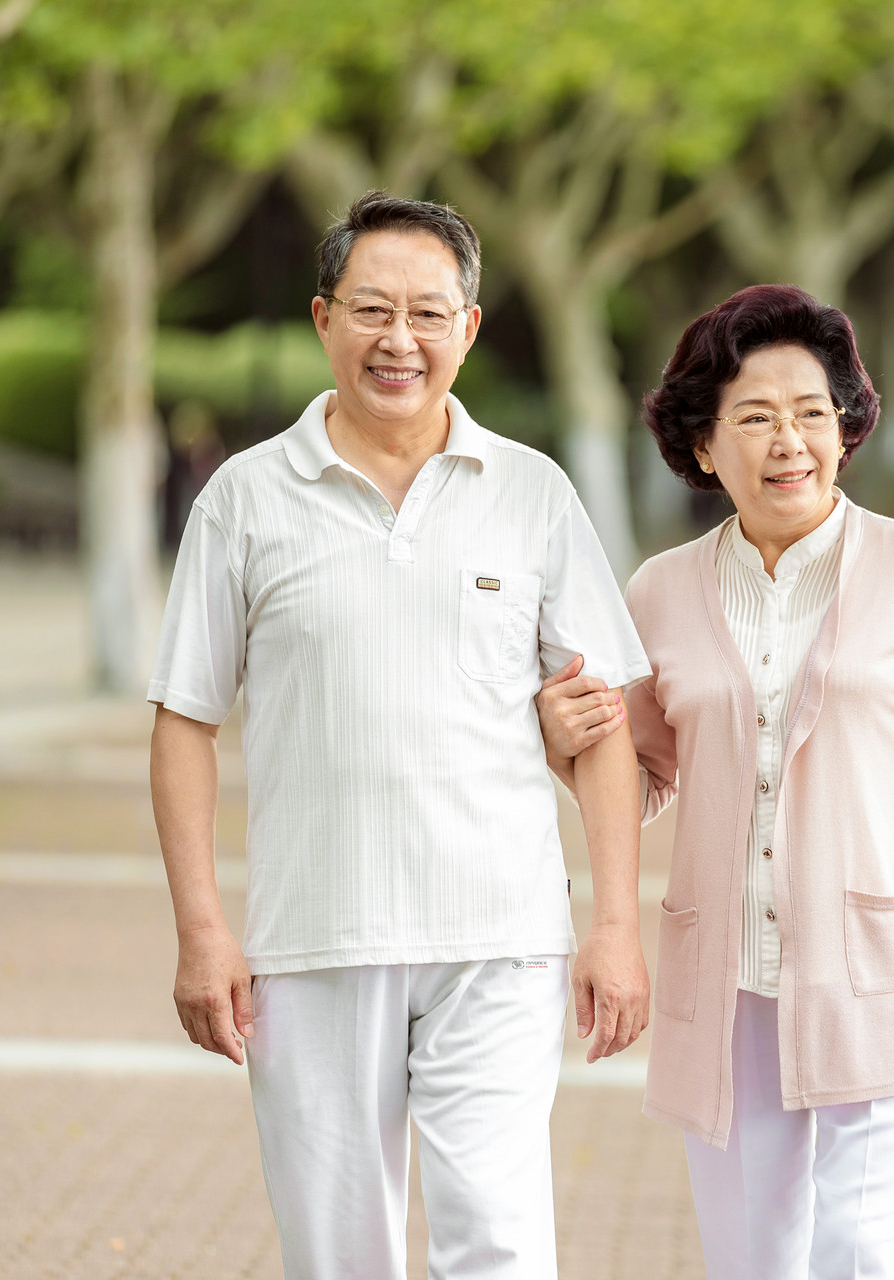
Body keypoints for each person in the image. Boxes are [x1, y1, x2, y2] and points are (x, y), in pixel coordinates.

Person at [147, 191, 651, 1279]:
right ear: (323, 318)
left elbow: (603, 720)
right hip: (315, 940)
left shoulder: (534, 492)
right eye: (373, 309)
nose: (400, 339)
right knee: (338, 1255)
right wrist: (201, 929)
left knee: (503, 1241)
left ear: (468, 329)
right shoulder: (243, 498)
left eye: (429, 312)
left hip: (500, 937)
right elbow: (185, 715)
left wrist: (616, 922)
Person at [538, 284, 894, 1280]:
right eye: (758, 418)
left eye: (813, 414)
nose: (791, 442)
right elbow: (640, 773)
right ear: (702, 445)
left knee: (862, 1251)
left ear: (846, 428)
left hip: (887, 966)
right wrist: (567, 740)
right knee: (753, 1262)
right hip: (728, 985)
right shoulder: (659, 590)